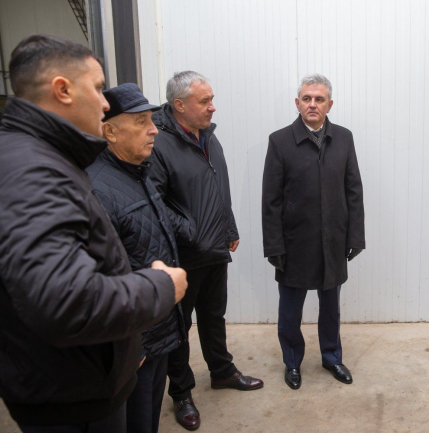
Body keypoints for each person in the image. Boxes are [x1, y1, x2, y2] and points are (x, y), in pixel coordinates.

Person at [0, 34, 188, 432]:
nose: (105, 102)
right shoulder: (33, 174)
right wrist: (161, 287)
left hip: (64, 374)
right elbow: (68, 302)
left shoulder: (23, 155)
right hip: (73, 395)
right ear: (62, 90)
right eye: (96, 87)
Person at [148, 71, 263, 431]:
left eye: (211, 99)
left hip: (215, 248)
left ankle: (222, 371)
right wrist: (191, 233)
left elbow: (218, 187)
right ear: (179, 105)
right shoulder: (158, 143)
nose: (213, 107)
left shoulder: (209, 136)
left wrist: (229, 226)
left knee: (214, 316)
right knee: (179, 327)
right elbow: (153, 202)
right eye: (204, 101)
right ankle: (181, 393)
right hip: (183, 255)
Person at [86, 83, 194, 433]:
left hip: (157, 327)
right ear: (110, 132)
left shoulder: (138, 172)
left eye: (152, 120)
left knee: (149, 418)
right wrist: (131, 344)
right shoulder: (97, 189)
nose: (153, 130)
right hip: (134, 340)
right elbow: (100, 279)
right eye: (141, 122)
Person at [262, 73, 365, 390]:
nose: (312, 104)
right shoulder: (280, 141)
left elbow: (353, 191)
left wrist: (355, 236)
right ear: (297, 103)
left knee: (331, 307)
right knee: (290, 310)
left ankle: (332, 357)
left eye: (319, 99)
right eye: (306, 98)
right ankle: (292, 361)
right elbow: (271, 200)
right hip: (294, 243)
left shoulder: (343, 139)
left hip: (333, 241)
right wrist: (274, 246)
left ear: (329, 105)